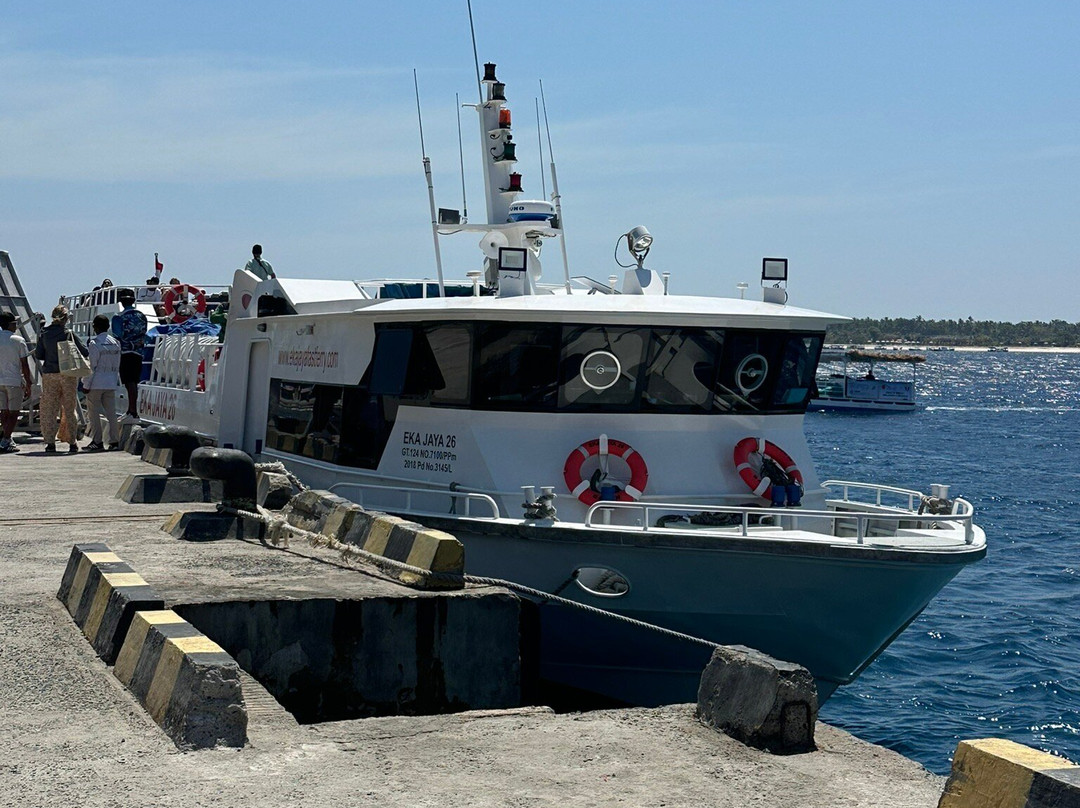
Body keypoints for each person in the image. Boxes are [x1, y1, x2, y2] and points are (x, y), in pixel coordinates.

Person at [35, 305, 87, 454]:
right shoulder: (68, 333)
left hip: (50, 374)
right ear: (65, 319)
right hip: (68, 374)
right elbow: (84, 351)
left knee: (49, 410)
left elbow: (39, 355)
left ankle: (50, 443)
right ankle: (72, 442)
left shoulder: (44, 334)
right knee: (70, 409)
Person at [85, 315, 121, 451]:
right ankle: (114, 441)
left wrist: (86, 384)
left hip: (96, 383)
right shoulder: (116, 342)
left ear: (95, 327)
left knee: (93, 414)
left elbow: (91, 367)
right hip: (111, 382)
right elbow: (118, 363)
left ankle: (97, 441)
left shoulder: (94, 344)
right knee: (111, 413)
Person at [111, 289, 147, 422]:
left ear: (121, 301)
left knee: (128, 382)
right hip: (139, 352)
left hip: (125, 352)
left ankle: (133, 412)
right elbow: (144, 333)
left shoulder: (118, 317)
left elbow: (117, 336)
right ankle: (131, 411)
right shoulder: (141, 316)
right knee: (134, 382)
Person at [0, 311, 33, 453]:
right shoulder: (18, 340)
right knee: (14, 413)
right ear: (11, 324)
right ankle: (6, 440)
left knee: (4, 411)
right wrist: (29, 383)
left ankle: (5, 437)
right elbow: (24, 364)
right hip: (13, 380)